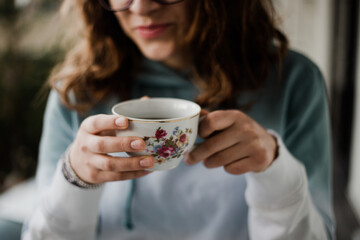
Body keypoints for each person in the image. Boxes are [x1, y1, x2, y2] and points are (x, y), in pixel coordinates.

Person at [22, 0, 335, 239]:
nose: (142, 8)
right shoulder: (78, 93)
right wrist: (74, 179)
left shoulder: (293, 82)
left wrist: (275, 169)